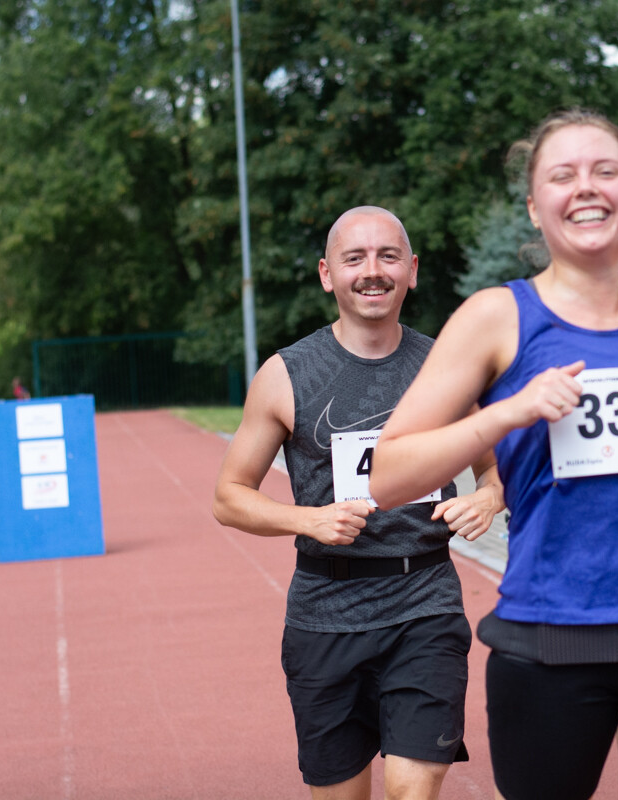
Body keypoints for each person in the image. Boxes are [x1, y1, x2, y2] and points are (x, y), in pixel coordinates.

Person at [369, 109, 618, 800]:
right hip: (554, 637)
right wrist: (509, 411)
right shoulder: (498, 316)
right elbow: (391, 473)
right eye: (563, 175)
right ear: (534, 206)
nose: (587, 187)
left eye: (606, 171)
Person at [212, 206, 504, 800]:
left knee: (409, 789)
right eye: (355, 259)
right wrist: (308, 519)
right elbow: (228, 496)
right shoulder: (286, 374)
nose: (373, 272)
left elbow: (497, 466)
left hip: (425, 603)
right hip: (325, 614)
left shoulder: (446, 368)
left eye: (388, 256)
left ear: (412, 270)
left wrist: (492, 496)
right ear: (327, 275)